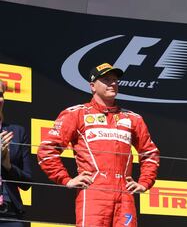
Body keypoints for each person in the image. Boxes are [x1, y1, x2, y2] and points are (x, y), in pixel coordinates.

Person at [37, 63, 160, 227]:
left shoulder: (133, 118)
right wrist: (66, 180)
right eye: (107, 80)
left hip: (124, 196)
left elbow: (150, 153)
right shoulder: (77, 114)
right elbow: (47, 150)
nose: (113, 83)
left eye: (115, 80)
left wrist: (144, 183)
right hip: (93, 193)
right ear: (92, 86)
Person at [0, 79, 32, 226]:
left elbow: (27, 183)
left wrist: (7, 165)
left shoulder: (17, 132)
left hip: (10, 213)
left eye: (1, 94)